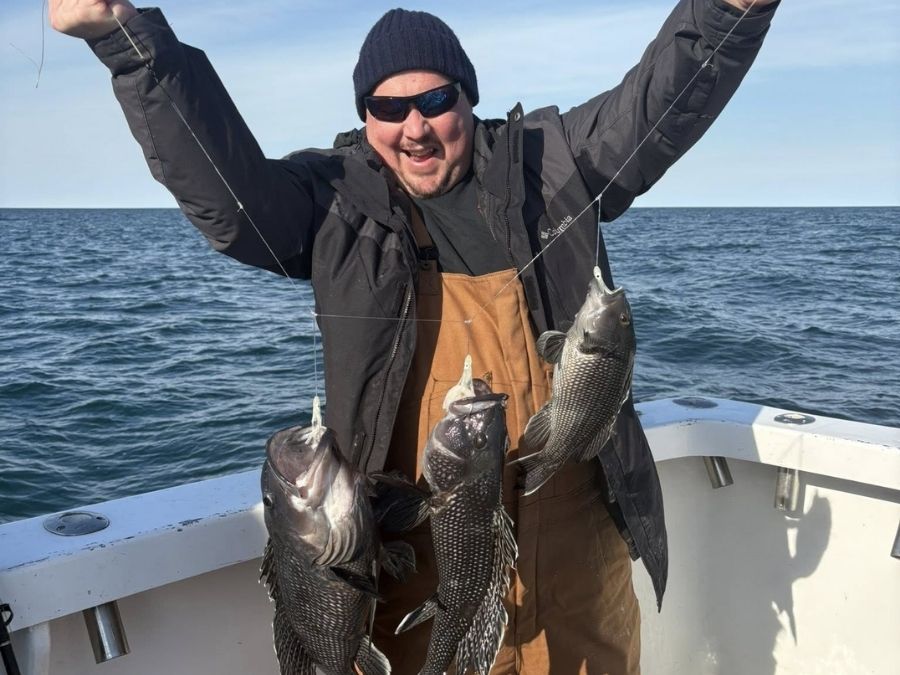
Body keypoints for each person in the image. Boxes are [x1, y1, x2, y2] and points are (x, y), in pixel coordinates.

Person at [50, 1, 780, 672]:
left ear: (468, 97)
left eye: (435, 101)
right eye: (388, 108)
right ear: (365, 117)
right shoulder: (332, 200)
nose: (415, 128)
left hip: (578, 549)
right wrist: (125, 38)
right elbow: (226, 196)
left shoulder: (552, 162)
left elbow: (660, 102)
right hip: (422, 553)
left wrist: (730, 10)